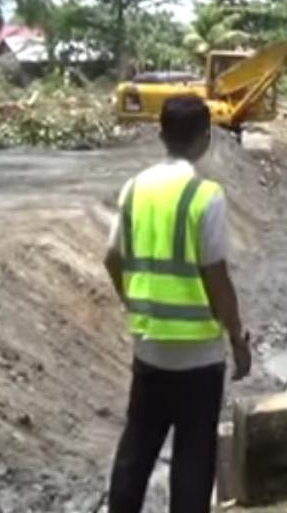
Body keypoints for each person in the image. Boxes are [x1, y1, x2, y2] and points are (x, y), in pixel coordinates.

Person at [104, 95, 252, 513]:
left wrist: (135, 305)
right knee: (193, 454)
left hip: (150, 346)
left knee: (137, 447)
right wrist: (238, 340)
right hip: (200, 355)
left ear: (160, 135)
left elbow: (111, 257)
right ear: (206, 138)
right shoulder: (206, 196)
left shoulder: (134, 189)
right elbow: (217, 278)